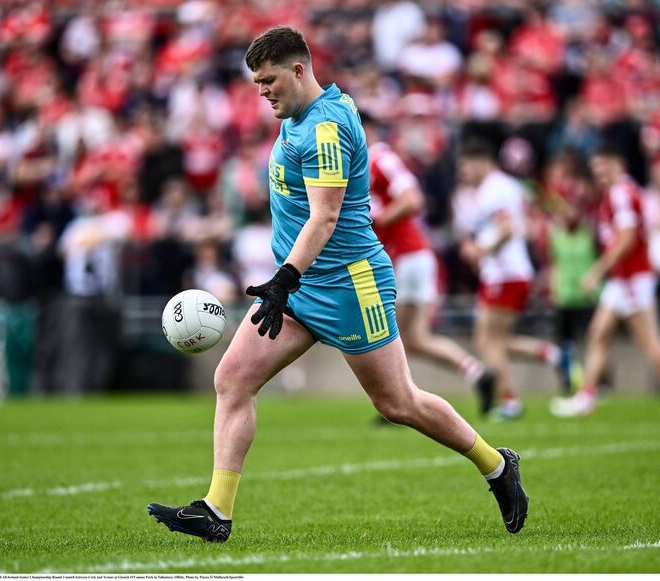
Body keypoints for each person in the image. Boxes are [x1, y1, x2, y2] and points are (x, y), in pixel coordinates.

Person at [148, 26, 527, 543]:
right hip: (301, 286)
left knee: (398, 404)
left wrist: (284, 277)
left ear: (299, 70)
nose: (262, 92)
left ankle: (497, 466)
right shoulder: (304, 111)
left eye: (269, 81)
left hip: (351, 286)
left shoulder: (323, 128)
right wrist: (289, 280)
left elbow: (324, 217)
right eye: (256, 83)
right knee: (232, 380)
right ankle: (217, 510)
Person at [363, 113, 495, 414]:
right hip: (412, 256)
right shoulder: (371, 162)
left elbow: (412, 200)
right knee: (415, 338)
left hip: (408, 255)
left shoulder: (379, 158)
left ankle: (396, 402)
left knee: (388, 333)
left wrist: (377, 220)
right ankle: (475, 372)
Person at [456, 141, 571, 419]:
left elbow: (507, 228)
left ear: (479, 161)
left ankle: (509, 401)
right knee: (498, 340)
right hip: (510, 272)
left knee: (487, 341)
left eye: (466, 167)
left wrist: (481, 249)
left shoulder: (492, 189)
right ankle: (553, 355)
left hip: (504, 273)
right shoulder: (506, 186)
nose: (464, 174)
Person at [551, 146, 660, 416]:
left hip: (632, 278)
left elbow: (626, 238)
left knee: (648, 342)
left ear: (619, 163)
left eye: (606, 167)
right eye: (597, 169)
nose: (601, 174)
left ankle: (586, 396)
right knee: (598, 334)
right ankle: (587, 397)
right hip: (623, 279)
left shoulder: (621, 192)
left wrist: (597, 271)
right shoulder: (621, 191)